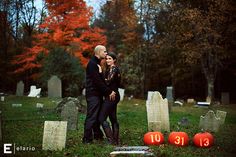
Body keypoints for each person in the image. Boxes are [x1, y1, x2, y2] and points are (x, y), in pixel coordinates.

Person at [82, 45, 116, 144]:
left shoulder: (97, 64)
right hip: (93, 95)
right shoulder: (93, 64)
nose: (106, 54)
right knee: (92, 117)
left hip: (97, 95)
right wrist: (109, 92)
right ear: (98, 52)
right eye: (104, 52)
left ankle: (98, 136)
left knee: (97, 117)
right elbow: (98, 82)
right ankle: (87, 139)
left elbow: (101, 80)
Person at [99, 52, 121, 145]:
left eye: (110, 59)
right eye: (107, 58)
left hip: (112, 96)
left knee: (101, 118)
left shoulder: (114, 69)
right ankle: (115, 140)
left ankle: (111, 140)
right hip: (113, 95)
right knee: (113, 118)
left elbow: (107, 82)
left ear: (114, 60)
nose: (107, 60)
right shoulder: (110, 69)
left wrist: (100, 73)